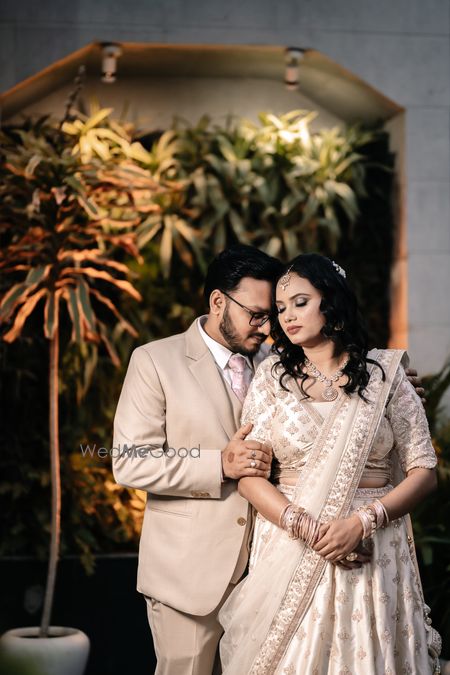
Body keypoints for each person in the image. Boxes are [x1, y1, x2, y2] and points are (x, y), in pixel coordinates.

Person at [219, 253, 441, 674]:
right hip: (292, 544)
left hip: (374, 547)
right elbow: (249, 476)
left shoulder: (386, 375)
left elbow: (424, 472)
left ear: (332, 301)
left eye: (300, 302)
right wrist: (308, 528)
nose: (287, 316)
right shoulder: (271, 379)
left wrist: (362, 523)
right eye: (280, 308)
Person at [112, 245, 282, 675]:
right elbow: (131, 460)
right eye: (256, 315)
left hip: (267, 574)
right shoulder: (154, 360)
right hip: (188, 577)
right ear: (218, 301)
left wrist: (386, 385)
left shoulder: (278, 365)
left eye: (272, 316)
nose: (266, 328)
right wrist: (219, 465)